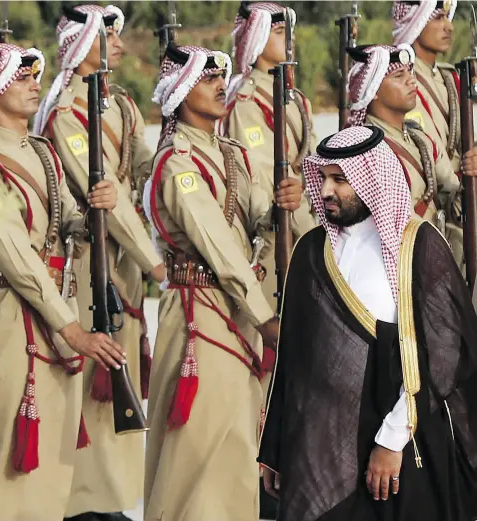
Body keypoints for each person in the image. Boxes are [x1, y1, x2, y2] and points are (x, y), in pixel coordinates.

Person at [259, 125, 477, 521]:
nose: (325, 190)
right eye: (323, 178)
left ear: (371, 178)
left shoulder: (417, 245)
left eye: (340, 180)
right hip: (320, 446)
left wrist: (391, 441)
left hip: (400, 442)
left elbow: (443, 356)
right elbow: (293, 358)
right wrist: (276, 446)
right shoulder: (312, 249)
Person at [143, 42, 304, 521]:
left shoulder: (229, 153)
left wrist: (286, 204)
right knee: (202, 448)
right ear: (178, 90)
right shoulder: (177, 162)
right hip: (201, 314)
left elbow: (257, 215)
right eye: (204, 78)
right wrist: (266, 318)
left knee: (236, 445)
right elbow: (218, 247)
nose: (219, 85)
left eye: (220, 77)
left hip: (235, 310)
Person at [35, 5, 166, 521]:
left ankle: (112, 494)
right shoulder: (67, 112)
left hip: (125, 259)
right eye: (107, 36)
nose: (119, 45)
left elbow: (142, 171)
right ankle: (86, 500)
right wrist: (156, 263)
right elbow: (102, 198)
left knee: (120, 371)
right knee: (97, 375)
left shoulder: (122, 106)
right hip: (91, 260)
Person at [0, 43, 124, 521]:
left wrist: (97, 214)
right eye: (20, 76)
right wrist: (73, 330)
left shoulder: (42, 153)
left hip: (57, 314)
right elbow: (15, 253)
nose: (32, 83)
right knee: (8, 472)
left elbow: (66, 223)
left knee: (51, 474)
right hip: (11, 320)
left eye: (34, 75)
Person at [223, 1, 316, 311]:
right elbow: (266, 182)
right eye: (278, 31)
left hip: (304, 227)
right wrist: (315, 237)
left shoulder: (296, 99)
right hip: (276, 240)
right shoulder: (247, 102)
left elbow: (312, 165)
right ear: (257, 38)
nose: (289, 38)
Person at [345, 42, 470, 268]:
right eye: (399, 76)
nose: (411, 81)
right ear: (373, 90)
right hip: (395, 268)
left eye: (410, 73)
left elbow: (454, 203)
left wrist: (473, 178)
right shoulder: (359, 150)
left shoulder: (420, 139)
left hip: (434, 259)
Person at [392, 0, 477, 178]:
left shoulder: (449, 78)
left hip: (458, 196)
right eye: (438, 18)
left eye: (447, 17)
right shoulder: (394, 81)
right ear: (417, 21)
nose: (449, 27)